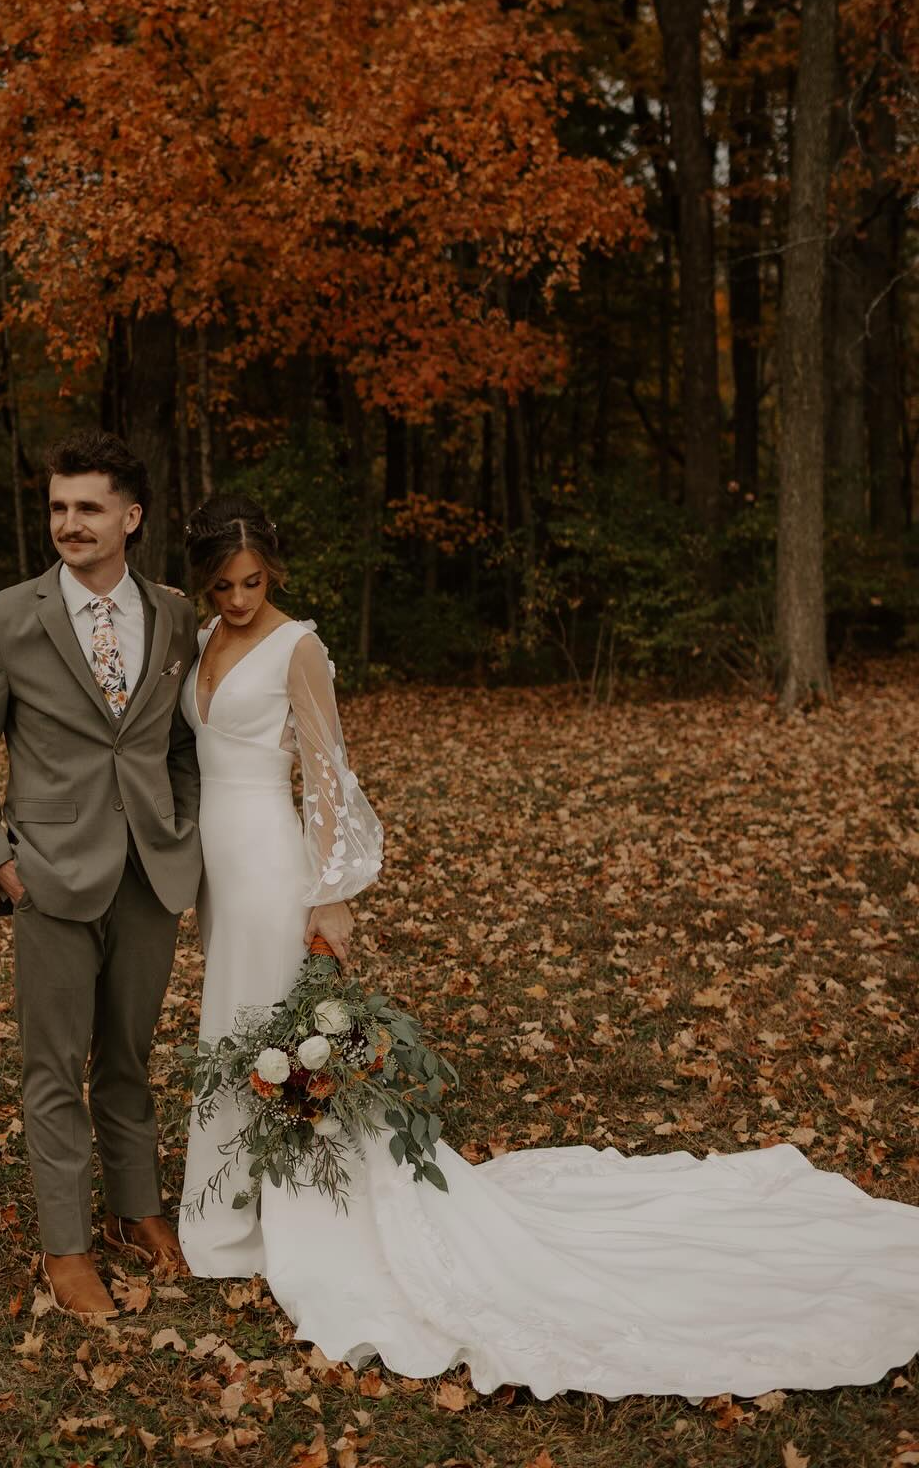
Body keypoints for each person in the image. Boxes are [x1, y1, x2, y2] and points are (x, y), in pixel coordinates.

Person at [178, 493, 919, 1397]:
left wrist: (330, 892)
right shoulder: (200, 638)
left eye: (254, 582)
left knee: (279, 1030)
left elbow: (329, 773)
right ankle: (229, 1205)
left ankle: (301, 1211)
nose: (239, 599)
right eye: (225, 585)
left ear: (274, 574)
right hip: (219, 868)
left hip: (271, 863)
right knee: (232, 1024)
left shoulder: (296, 646)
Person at [0, 429, 202, 1321]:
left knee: (128, 1055)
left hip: (150, 873)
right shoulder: (4, 618)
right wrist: (2, 865)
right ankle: (67, 1246)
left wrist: (181, 831)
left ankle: (136, 1211)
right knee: (53, 1068)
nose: (69, 523)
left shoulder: (173, 618)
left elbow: (179, 746)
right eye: (58, 507)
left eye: (89, 507)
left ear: (131, 517)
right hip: (47, 877)